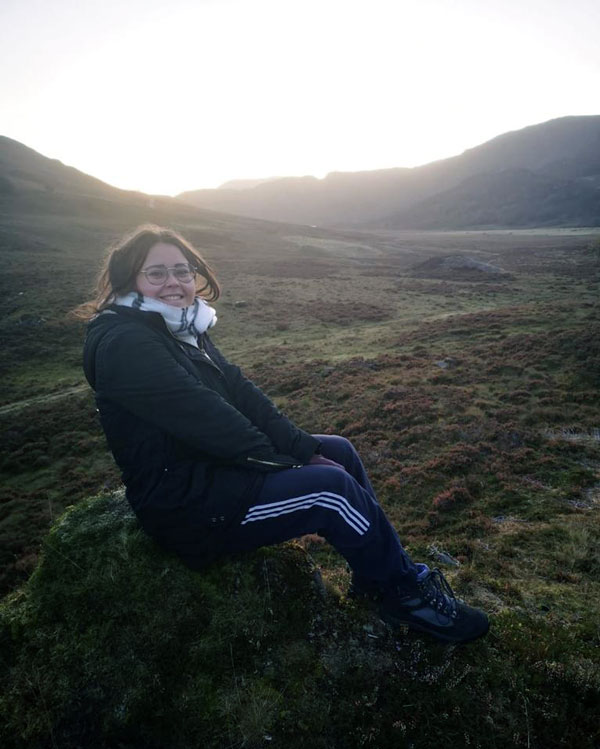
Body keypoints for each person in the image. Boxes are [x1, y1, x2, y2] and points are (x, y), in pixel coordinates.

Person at [80, 224, 489, 644]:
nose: (175, 283)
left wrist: (304, 448)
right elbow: (210, 419)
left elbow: (239, 391)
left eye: (182, 271)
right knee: (331, 490)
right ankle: (402, 594)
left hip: (214, 471)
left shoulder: (178, 327)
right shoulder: (126, 342)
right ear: (131, 279)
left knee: (338, 452)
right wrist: (286, 461)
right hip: (186, 505)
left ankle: (377, 580)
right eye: (157, 273)